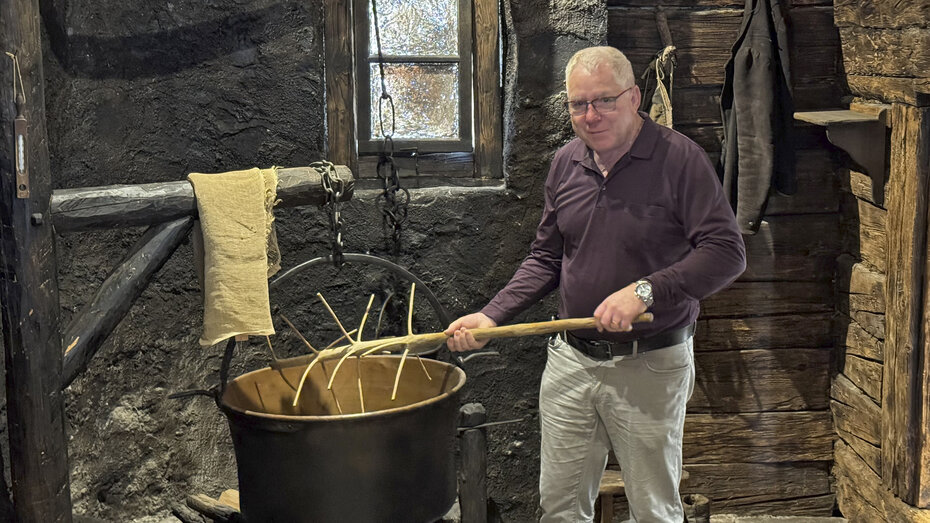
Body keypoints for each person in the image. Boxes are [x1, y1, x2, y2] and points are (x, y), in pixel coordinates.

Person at [445, 46, 746, 522]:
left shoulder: (679, 160)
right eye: (577, 104)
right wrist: (492, 315)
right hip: (572, 361)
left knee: (653, 510)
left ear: (634, 96)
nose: (590, 115)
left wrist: (645, 290)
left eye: (604, 101)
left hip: (650, 364)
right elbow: (545, 257)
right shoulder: (566, 163)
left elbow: (727, 254)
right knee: (560, 507)